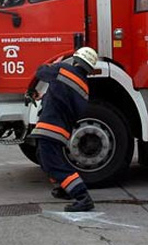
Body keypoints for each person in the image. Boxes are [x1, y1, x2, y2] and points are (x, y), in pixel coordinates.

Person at [26, 47, 98, 212]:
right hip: (61, 131)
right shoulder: (84, 90)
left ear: (76, 60)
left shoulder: (63, 70)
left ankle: (83, 197)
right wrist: (46, 98)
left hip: (49, 127)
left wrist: (53, 64)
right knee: (44, 158)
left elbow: (41, 72)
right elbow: (64, 101)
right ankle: (64, 188)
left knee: (54, 164)